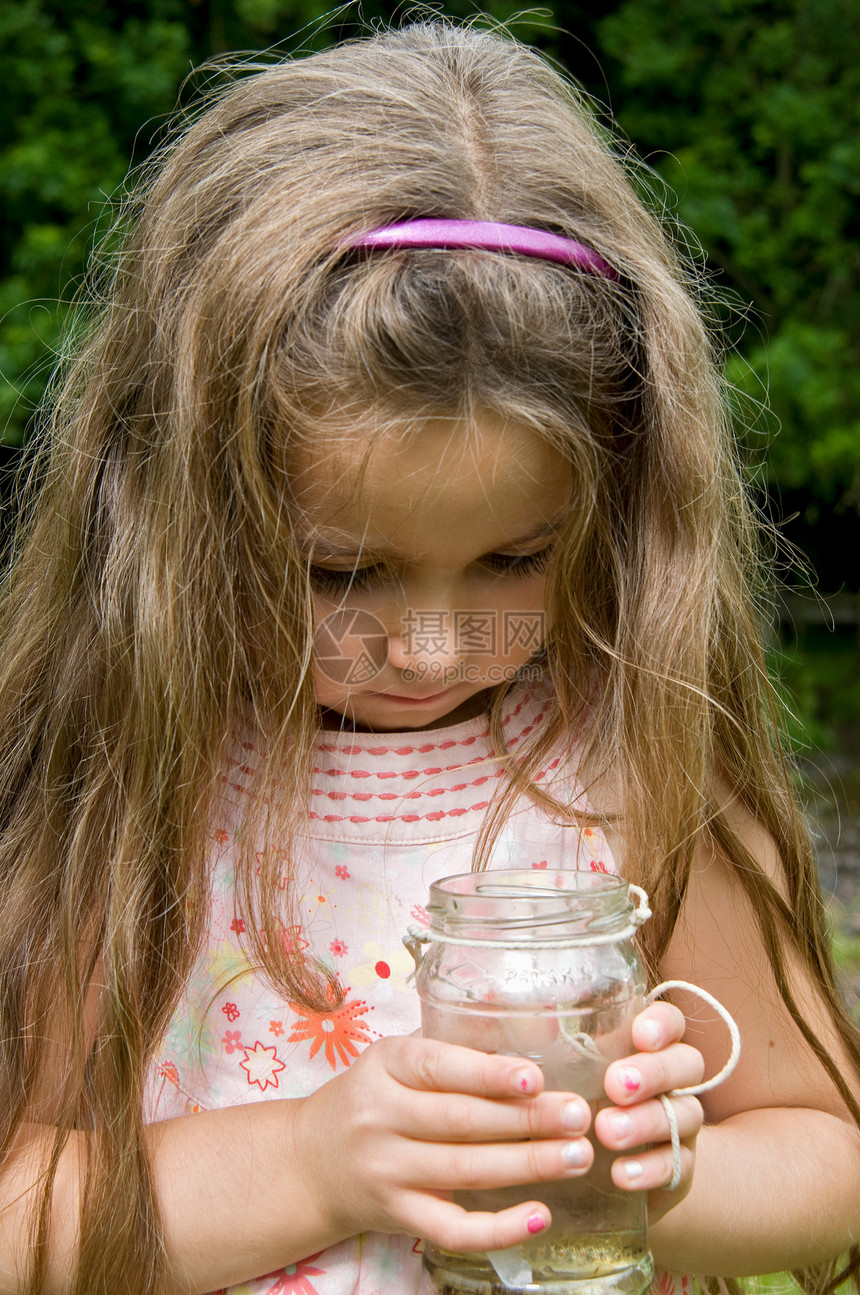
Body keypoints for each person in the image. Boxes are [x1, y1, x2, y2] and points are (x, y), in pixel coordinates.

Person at [0, 19, 857, 1295]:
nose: (433, 643)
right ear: (176, 518)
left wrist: (651, 1180)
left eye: (515, 557)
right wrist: (310, 1159)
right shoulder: (131, 794)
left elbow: (821, 1151)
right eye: (339, 571)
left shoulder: (629, 779)